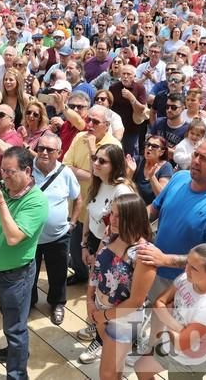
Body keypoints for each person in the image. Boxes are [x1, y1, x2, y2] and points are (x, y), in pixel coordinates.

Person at [137, 140, 206, 305]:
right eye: (196, 154)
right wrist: (129, 225)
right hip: (153, 269)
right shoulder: (179, 178)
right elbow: (153, 209)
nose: (196, 161)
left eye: (204, 159)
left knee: (169, 329)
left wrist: (165, 260)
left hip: (184, 284)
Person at [0, 146, 48, 378]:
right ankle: (13, 353)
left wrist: (0, 204)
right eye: (2, 171)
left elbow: (14, 237)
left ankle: (17, 374)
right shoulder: (5, 189)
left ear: (27, 171)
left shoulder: (36, 201)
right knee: (8, 317)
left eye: (10, 172)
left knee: (16, 328)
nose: (4, 176)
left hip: (16, 275)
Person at [77, 144, 136, 364]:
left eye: (102, 161)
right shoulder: (98, 183)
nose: (95, 164)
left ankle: (101, 342)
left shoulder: (122, 191)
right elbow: (89, 214)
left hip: (112, 250)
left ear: (115, 165)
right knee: (95, 294)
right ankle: (96, 324)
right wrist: (84, 245)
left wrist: (100, 256)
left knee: (107, 297)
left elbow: (118, 231)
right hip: (95, 243)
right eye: (95, 158)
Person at [135, 243, 206, 380]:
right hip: (166, 346)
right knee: (141, 368)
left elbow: (182, 344)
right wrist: (181, 329)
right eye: (187, 264)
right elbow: (158, 303)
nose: (187, 270)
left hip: (188, 363)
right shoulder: (186, 279)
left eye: (194, 268)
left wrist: (167, 316)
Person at [88, 194, 156, 380]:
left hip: (122, 320)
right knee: (114, 369)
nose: (112, 219)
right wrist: (89, 298)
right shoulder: (111, 235)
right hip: (101, 311)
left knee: (107, 373)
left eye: (119, 216)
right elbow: (97, 267)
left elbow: (136, 301)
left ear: (133, 218)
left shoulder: (143, 254)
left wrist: (102, 316)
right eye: (112, 213)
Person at [63, 105, 122, 286]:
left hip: (100, 214)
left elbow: (102, 176)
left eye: (95, 122)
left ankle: (95, 284)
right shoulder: (80, 136)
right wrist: (90, 174)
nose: (88, 124)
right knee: (77, 247)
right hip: (77, 206)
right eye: (88, 119)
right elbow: (65, 165)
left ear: (106, 125)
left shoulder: (114, 145)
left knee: (97, 254)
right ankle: (81, 275)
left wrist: (91, 150)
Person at [31, 132, 82, 325]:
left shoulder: (66, 173)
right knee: (29, 273)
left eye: (49, 149)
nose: (43, 152)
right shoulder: (27, 169)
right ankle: (30, 301)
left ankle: (57, 303)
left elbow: (78, 198)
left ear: (59, 152)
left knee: (58, 273)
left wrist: (73, 222)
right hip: (30, 236)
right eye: (40, 148)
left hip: (58, 236)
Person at [127, 135, 173, 205]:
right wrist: (131, 171)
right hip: (132, 204)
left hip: (150, 209)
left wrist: (152, 177)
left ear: (162, 152)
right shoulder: (137, 161)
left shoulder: (166, 167)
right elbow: (124, 185)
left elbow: (161, 195)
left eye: (154, 146)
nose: (149, 148)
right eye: (147, 145)